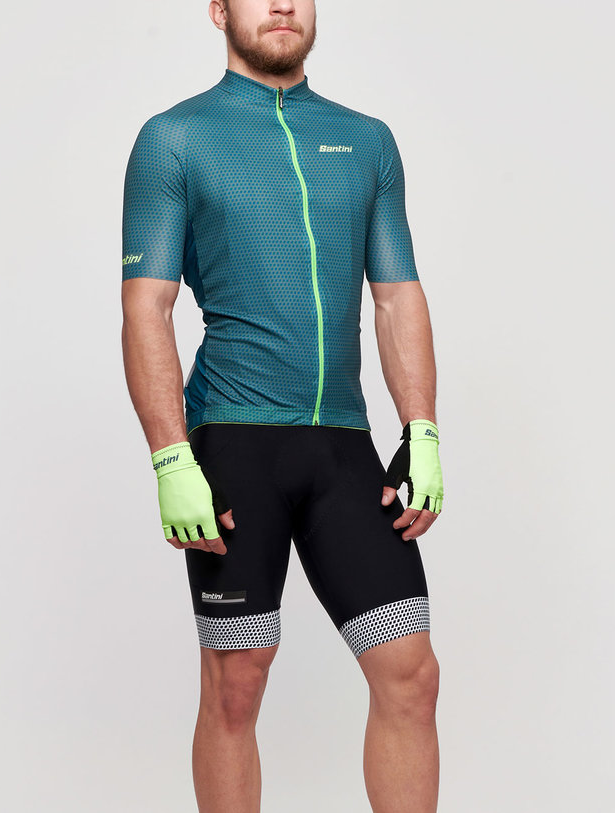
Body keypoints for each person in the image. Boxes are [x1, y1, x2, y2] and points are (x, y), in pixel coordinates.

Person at [121, 1, 444, 810]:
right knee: (237, 682)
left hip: (342, 447)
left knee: (410, 673)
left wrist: (423, 430)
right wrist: (170, 457)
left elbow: (397, 295)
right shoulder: (175, 138)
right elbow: (146, 306)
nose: (280, 4)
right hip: (233, 443)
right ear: (218, 10)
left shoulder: (366, 140)